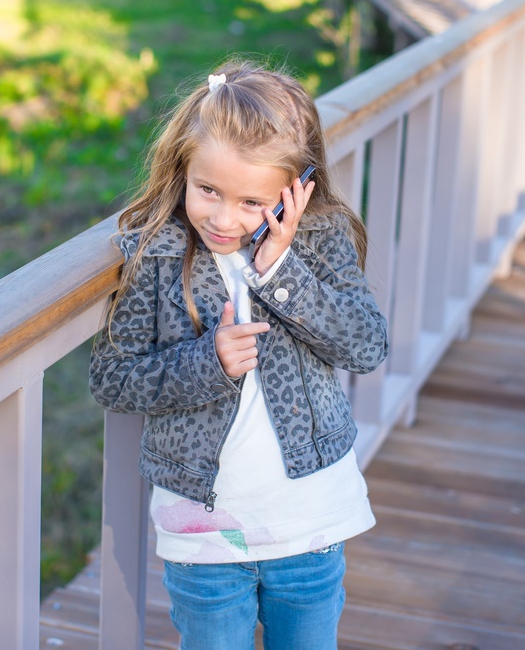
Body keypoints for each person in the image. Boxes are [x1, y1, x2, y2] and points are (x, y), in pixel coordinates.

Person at [88, 59, 389, 650]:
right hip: (204, 535)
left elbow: (365, 345)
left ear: (296, 188)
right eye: (208, 191)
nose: (224, 219)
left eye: (252, 202)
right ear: (183, 169)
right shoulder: (159, 252)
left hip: (310, 523)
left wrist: (280, 271)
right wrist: (209, 364)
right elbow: (113, 379)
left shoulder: (319, 240)